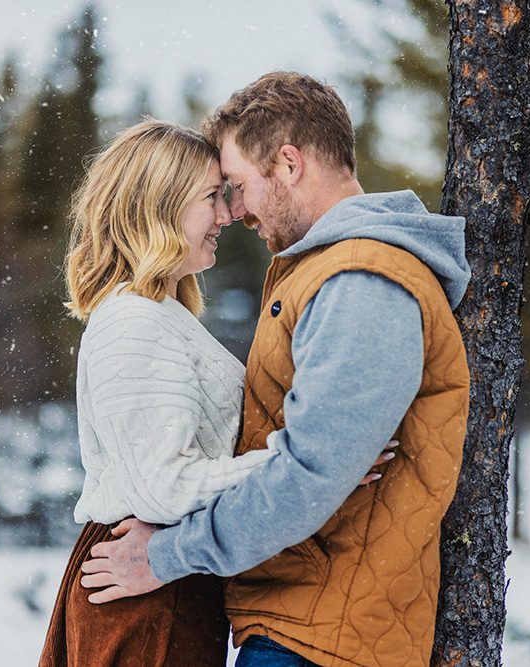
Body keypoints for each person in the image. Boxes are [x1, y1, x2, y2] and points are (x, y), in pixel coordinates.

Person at [81, 72, 472, 667]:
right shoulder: (325, 274)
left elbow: (311, 476)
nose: (234, 212)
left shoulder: (360, 280)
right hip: (301, 620)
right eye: (216, 195)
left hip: (324, 633)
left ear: (288, 164)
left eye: (233, 186)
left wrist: (166, 556)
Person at [38, 120, 393, 667]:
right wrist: (305, 464)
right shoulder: (132, 322)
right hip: (142, 587)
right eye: (211, 197)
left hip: (165, 583)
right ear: (160, 205)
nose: (227, 215)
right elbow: (164, 489)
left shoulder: (160, 313)